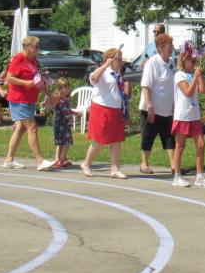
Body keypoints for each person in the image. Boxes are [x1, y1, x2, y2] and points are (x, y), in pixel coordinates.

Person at [2, 36, 55, 171]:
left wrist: (50, 94)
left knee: (21, 129)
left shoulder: (33, 60)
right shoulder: (18, 58)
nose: (38, 49)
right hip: (19, 99)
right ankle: (40, 161)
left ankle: (9, 160)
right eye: (36, 46)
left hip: (29, 99)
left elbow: (38, 81)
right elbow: (9, 78)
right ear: (27, 47)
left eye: (38, 46)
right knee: (32, 127)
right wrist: (25, 83)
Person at [82, 47, 129, 179]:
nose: (121, 61)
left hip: (115, 110)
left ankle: (115, 169)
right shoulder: (104, 72)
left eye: (121, 59)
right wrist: (105, 64)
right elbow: (94, 78)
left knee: (116, 141)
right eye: (119, 59)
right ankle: (86, 164)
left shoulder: (117, 75)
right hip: (102, 109)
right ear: (111, 59)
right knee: (99, 141)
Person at [171, 44, 205, 188]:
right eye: (192, 60)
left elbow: (203, 90)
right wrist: (195, 77)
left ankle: (199, 176)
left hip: (194, 115)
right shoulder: (179, 75)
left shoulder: (193, 74)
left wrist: (199, 76)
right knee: (180, 145)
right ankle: (177, 176)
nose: (194, 62)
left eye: (195, 60)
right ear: (184, 60)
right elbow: (188, 92)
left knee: (201, 144)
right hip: (182, 115)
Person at [139, 33, 176, 173]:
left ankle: (174, 165)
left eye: (171, 46)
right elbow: (145, 86)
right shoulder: (152, 63)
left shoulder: (171, 62)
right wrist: (149, 105)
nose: (171, 49)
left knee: (169, 138)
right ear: (160, 47)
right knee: (148, 136)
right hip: (152, 108)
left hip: (167, 109)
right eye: (168, 46)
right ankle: (144, 164)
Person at [45, 78, 80, 168]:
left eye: (68, 87)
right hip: (60, 124)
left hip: (66, 124)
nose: (67, 89)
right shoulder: (57, 98)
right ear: (59, 88)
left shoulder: (67, 99)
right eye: (65, 87)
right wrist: (47, 103)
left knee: (65, 142)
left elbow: (68, 110)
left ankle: (60, 159)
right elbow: (50, 104)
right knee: (63, 143)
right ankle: (60, 159)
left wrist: (76, 113)